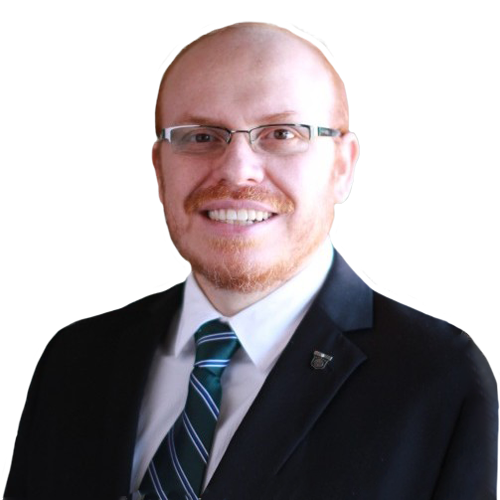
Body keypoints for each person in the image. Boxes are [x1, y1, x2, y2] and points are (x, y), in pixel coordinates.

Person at [2, 21, 498, 500]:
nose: (238, 171)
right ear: (158, 169)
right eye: (201, 136)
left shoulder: (441, 381)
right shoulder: (73, 361)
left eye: (281, 134)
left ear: (343, 167)